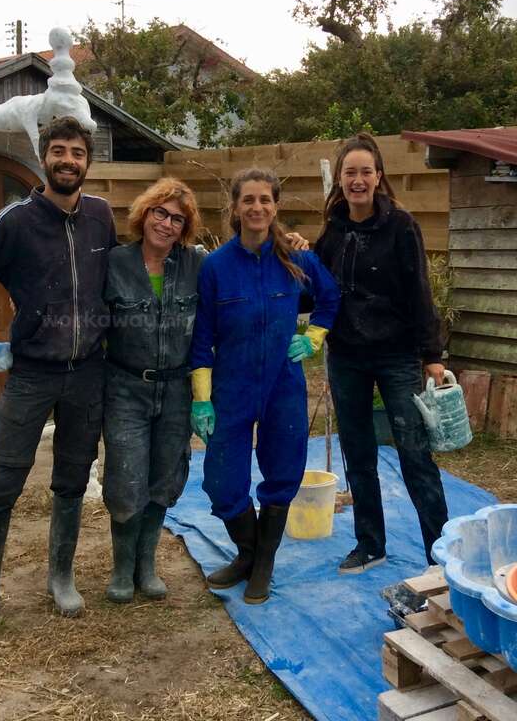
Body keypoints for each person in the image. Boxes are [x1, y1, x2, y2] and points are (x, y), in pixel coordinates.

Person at [0, 116, 117, 637]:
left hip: (88, 373)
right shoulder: (15, 220)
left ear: (88, 162)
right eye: (59, 151)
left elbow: (124, 275)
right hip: (31, 375)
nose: (68, 160)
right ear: (45, 157)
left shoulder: (101, 217)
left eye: (78, 153)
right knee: (1, 482)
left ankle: (60, 577)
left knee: (71, 479)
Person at [189, 168, 340, 604]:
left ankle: (263, 566)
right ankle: (248, 556)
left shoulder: (297, 259)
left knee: (283, 472)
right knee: (222, 481)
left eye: (265, 200)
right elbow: (202, 336)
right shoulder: (215, 266)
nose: (257, 207)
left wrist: (313, 337)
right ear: (235, 208)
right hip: (230, 388)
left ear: (275, 206)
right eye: (248, 200)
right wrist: (202, 399)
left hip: (283, 385)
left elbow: (330, 298)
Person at [314, 132, 448, 574]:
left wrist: (432, 354)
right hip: (347, 356)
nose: (357, 180)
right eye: (349, 172)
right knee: (358, 451)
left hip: (396, 355)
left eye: (365, 171)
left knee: (414, 451)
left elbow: (420, 293)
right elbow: (316, 287)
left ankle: (438, 553)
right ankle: (370, 544)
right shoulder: (332, 229)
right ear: (341, 179)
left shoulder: (401, 226)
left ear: (378, 177)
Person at [102, 178, 205, 603]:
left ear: (185, 228)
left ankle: (147, 565)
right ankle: (122, 568)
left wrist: (291, 245)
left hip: (177, 390)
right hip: (126, 387)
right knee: (126, 480)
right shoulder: (114, 263)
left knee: (165, 478)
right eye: (159, 213)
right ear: (143, 215)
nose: (166, 223)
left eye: (176, 218)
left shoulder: (196, 264)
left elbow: (244, 263)